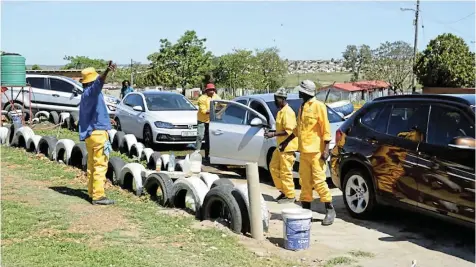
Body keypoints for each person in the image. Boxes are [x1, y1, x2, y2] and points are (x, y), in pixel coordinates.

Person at [280, 80, 336, 226]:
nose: (298, 94)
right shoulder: (302, 107)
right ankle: (306, 212)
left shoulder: (319, 106)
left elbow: (326, 130)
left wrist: (326, 150)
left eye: (300, 91)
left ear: (306, 92)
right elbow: (298, 129)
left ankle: (329, 209)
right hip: (304, 151)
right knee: (304, 182)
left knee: (319, 182)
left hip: (317, 152)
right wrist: (286, 141)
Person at [79, 61, 116, 205]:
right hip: (99, 135)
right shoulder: (93, 92)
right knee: (100, 165)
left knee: (92, 166)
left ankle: (91, 192)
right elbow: (99, 82)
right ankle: (98, 196)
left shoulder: (85, 96)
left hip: (90, 134)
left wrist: (107, 121)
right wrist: (106, 70)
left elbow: (94, 113)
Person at [265, 88, 298, 204]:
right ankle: (283, 191)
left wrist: (273, 134)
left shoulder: (288, 112)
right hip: (280, 147)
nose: (275, 101)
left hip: (287, 147)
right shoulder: (280, 111)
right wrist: (272, 132)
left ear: (283, 99)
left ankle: (290, 195)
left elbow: (290, 131)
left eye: (277, 99)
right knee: (273, 167)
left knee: (285, 172)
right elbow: (281, 129)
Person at [196, 83, 220, 161]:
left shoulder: (216, 97)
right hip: (202, 120)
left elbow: (222, 104)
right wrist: (215, 110)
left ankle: (207, 155)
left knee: (209, 138)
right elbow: (204, 111)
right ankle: (197, 152)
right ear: (207, 90)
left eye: (213, 89)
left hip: (211, 120)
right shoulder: (202, 98)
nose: (212, 91)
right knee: (200, 136)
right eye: (210, 90)